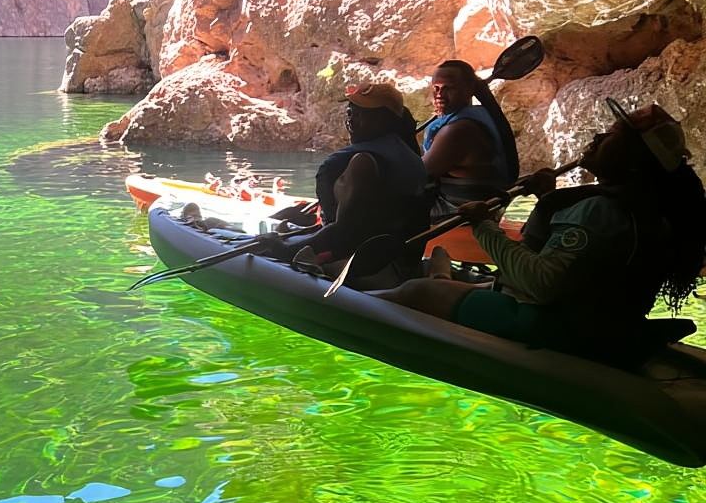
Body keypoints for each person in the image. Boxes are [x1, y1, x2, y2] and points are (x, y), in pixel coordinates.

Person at [374, 100, 706, 365]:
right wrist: (547, 197)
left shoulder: (602, 210)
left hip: (560, 329)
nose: (598, 137)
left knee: (416, 292)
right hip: (601, 322)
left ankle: (364, 299)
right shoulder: (646, 212)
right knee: (467, 284)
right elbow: (588, 262)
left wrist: (484, 225)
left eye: (611, 136)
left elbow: (542, 284)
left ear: (632, 162)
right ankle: (442, 278)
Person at [274, 83, 428, 273]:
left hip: (362, 264)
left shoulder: (364, 162)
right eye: (350, 114)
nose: (351, 122)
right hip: (396, 259)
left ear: (383, 120)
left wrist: (282, 251)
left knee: (275, 244)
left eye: (360, 115)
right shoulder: (409, 157)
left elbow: (344, 232)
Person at [422, 59, 520, 218]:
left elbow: (418, 174)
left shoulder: (458, 130)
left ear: (468, 90)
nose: (439, 94)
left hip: (456, 215)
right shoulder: (479, 115)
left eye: (449, 88)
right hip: (476, 206)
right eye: (436, 88)